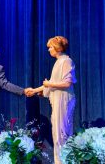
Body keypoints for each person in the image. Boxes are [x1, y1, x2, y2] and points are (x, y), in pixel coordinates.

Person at [32, 36, 76, 164]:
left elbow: (67, 83)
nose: (49, 50)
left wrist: (49, 85)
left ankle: (64, 161)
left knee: (62, 133)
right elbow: (51, 83)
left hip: (64, 100)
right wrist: (34, 91)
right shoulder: (58, 62)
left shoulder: (66, 61)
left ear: (57, 47)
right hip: (58, 100)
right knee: (57, 133)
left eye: (50, 47)